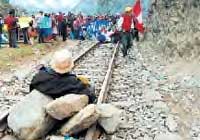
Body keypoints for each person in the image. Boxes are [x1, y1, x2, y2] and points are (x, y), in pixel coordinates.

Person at [30, 49, 96, 103]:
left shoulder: (40, 76)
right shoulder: (73, 82)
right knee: (91, 86)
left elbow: (31, 86)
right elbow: (91, 96)